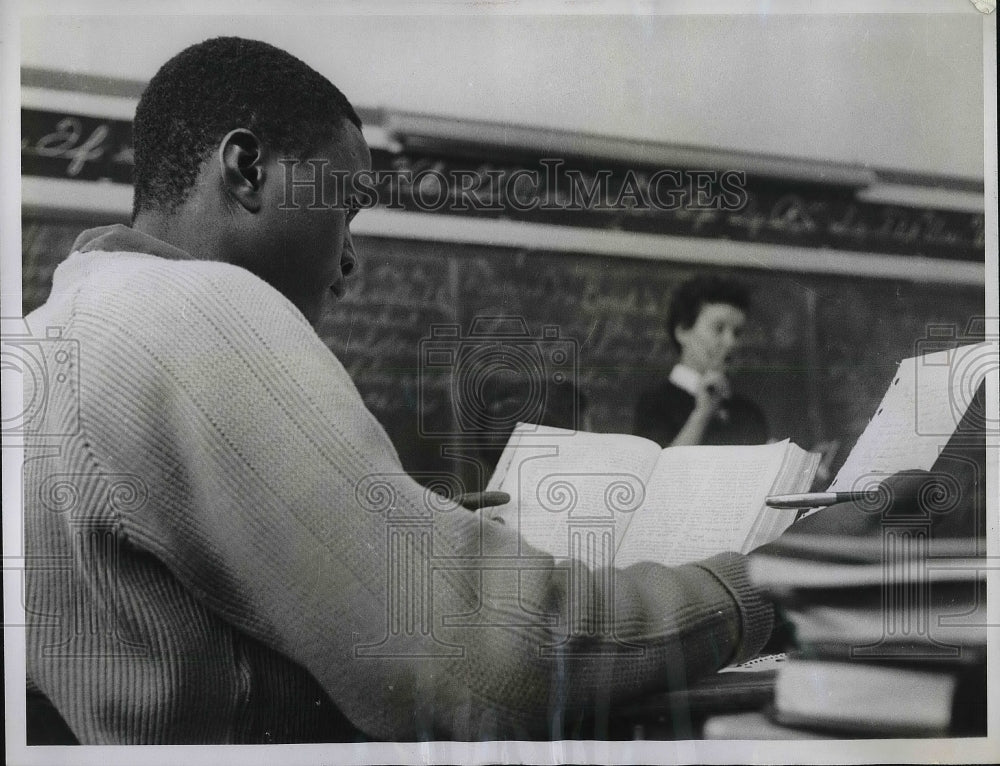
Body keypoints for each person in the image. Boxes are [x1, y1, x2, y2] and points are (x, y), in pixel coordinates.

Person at [23, 37, 776, 744]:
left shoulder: (51, 329)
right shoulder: (200, 309)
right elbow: (490, 667)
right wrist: (766, 587)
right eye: (344, 207)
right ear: (247, 168)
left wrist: (403, 530)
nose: (350, 264)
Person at [634, 275, 767, 447]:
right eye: (719, 329)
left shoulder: (750, 413)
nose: (731, 342)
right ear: (682, 331)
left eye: (737, 333)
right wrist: (703, 413)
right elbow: (664, 471)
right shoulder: (653, 405)